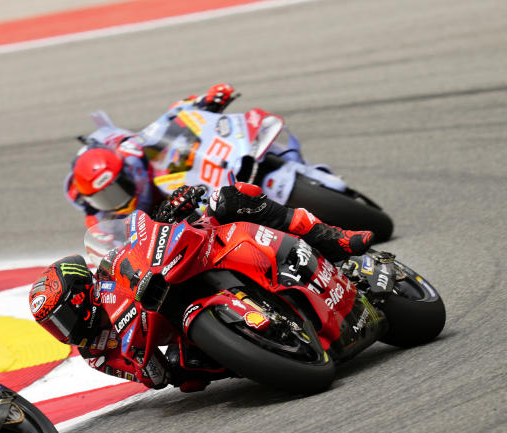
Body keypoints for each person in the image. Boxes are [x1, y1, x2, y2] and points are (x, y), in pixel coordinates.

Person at [31, 182, 373, 392]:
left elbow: (139, 242)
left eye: (62, 320)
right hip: (182, 331)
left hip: (194, 257)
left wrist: (170, 210)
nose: (63, 331)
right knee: (190, 371)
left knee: (234, 198)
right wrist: (151, 365)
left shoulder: (109, 276)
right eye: (53, 328)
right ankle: (267, 344)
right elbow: (153, 377)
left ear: (80, 295)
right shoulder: (96, 353)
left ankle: (332, 238)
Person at [66, 83, 238, 228]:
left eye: (120, 188)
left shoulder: (134, 153)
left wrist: (204, 102)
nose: (118, 201)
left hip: (186, 192)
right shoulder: (100, 219)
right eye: (105, 199)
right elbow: (109, 255)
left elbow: (165, 123)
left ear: (126, 170)